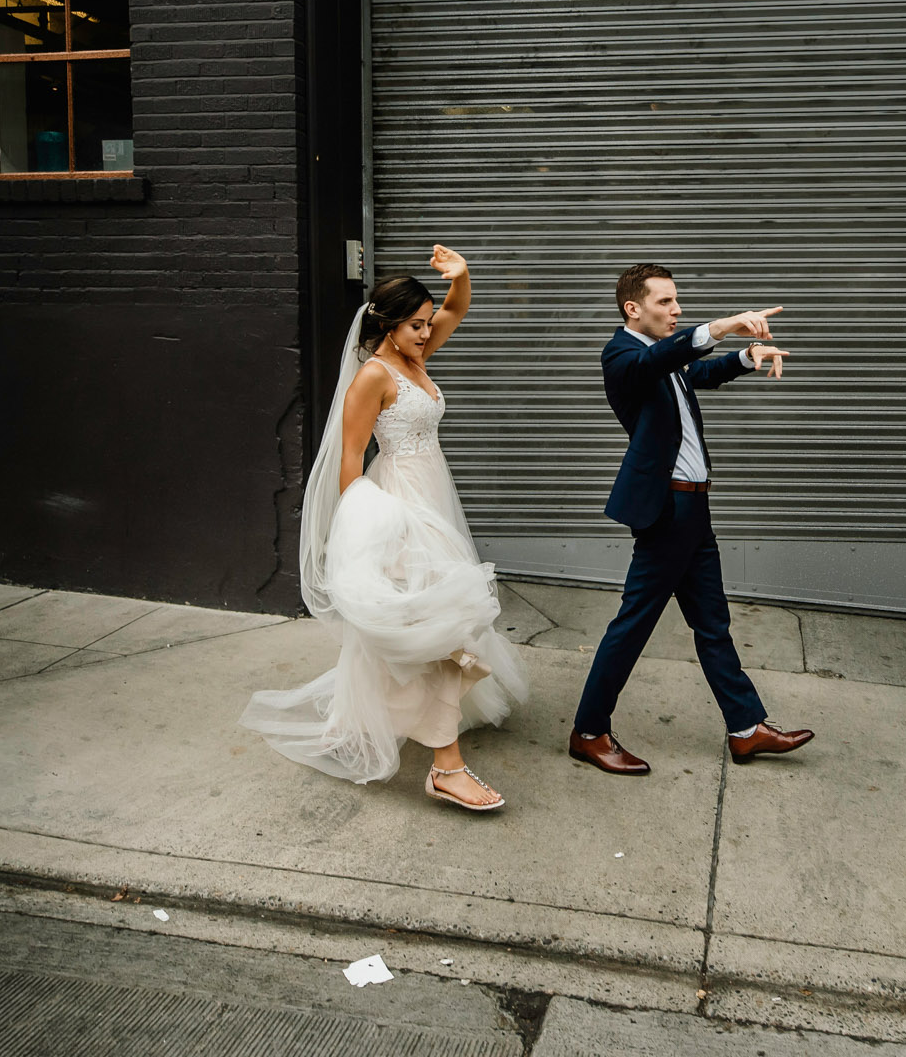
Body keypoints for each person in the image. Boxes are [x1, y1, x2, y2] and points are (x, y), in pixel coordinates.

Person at [240, 247, 527, 812]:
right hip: (395, 506)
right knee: (429, 623)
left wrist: (462, 275)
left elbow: (456, 310)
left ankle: (364, 721)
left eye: (427, 324)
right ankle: (446, 767)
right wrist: (366, 529)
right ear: (389, 327)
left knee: (422, 623)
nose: (428, 332)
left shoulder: (416, 358)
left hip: (433, 497)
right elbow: (349, 459)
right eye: (416, 325)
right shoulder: (374, 376)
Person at [568, 262, 815, 775]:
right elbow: (673, 354)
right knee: (633, 623)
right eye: (665, 302)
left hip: (693, 509)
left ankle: (746, 729)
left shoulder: (664, 360)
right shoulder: (623, 355)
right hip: (667, 510)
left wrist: (747, 355)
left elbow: (698, 371)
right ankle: (588, 732)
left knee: (712, 623)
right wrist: (725, 325)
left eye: (677, 300)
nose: (676, 309)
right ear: (633, 308)